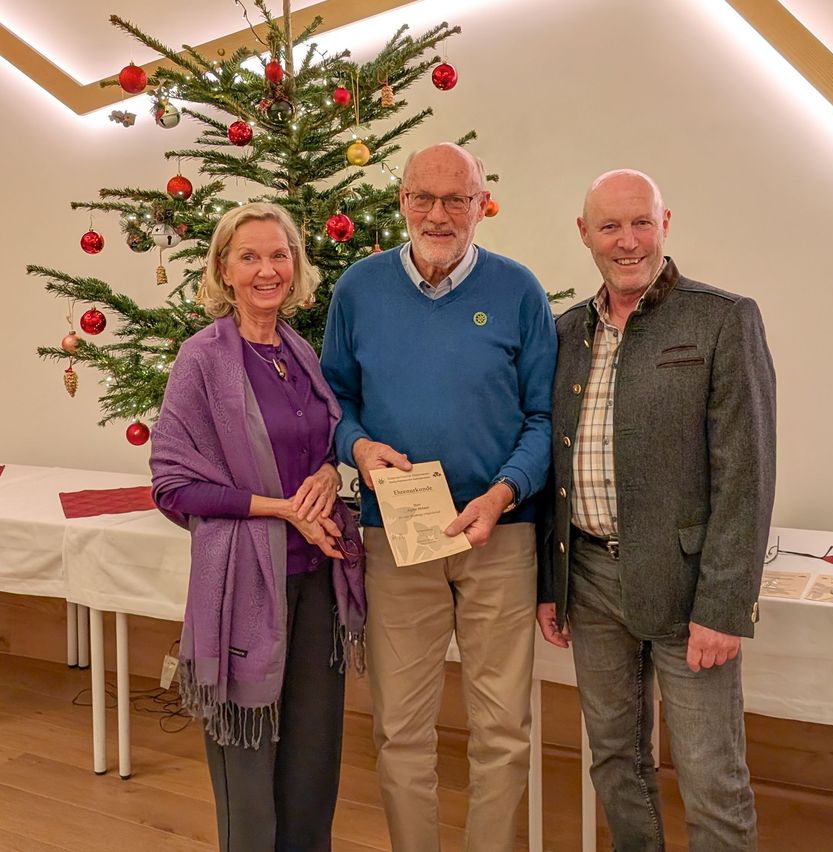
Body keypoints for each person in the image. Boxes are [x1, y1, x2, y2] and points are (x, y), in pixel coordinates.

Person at [321, 142, 557, 852]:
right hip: (397, 537)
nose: (438, 214)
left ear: (482, 204)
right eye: (423, 197)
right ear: (402, 201)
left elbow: (545, 418)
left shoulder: (518, 290)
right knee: (400, 730)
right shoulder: (358, 290)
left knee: (503, 730)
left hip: (500, 535)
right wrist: (358, 447)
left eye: (457, 198)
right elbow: (334, 401)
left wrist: (504, 492)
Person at [537, 169, 776, 849]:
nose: (628, 241)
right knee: (615, 761)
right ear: (584, 234)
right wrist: (551, 583)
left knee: (711, 777)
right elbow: (553, 464)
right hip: (589, 580)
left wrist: (724, 606)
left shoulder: (723, 318)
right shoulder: (565, 332)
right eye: (609, 226)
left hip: (687, 585)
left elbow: (747, 474)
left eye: (641, 222)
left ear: (664, 223)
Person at [150, 201, 366, 852]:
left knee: (312, 760)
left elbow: (322, 446)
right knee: (248, 771)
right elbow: (172, 484)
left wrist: (327, 474)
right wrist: (281, 510)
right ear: (224, 269)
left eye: (279, 255)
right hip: (246, 585)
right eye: (249, 257)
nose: (266, 270)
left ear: (295, 265)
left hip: (318, 580)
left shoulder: (299, 353)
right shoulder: (203, 359)